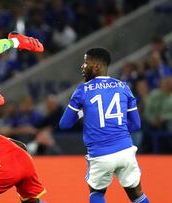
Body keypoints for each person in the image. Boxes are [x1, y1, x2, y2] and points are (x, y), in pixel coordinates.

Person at [59, 48, 150, 203]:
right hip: (125, 151)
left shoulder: (82, 90)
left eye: (86, 62)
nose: (82, 66)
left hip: (100, 154)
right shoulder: (123, 87)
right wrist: (116, 131)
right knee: (137, 195)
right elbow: (136, 124)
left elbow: (64, 124)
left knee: (97, 193)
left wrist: (83, 113)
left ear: (96, 67)